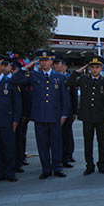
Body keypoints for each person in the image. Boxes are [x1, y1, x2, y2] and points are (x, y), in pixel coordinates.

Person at [11, 50, 70, 179]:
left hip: (55, 115)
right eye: (41, 60)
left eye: (46, 60)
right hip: (40, 116)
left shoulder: (59, 77)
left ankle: (57, 167)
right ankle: (46, 169)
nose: (44, 63)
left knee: (56, 144)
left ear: (51, 61)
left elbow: (64, 98)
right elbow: (15, 80)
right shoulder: (33, 75)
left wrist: (64, 114)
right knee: (42, 145)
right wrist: (25, 68)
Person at [68, 55, 104, 175]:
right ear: (89, 68)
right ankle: (89, 165)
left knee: (102, 142)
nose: (95, 69)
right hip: (87, 116)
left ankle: (102, 164)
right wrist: (78, 71)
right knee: (88, 143)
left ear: (101, 68)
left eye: (97, 67)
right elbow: (70, 82)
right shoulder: (84, 79)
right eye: (92, 67)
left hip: (101, 116)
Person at [0, 54, 21, 182]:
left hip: (7, 120)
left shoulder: (11, 83)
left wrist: (16, 119)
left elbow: (17, 103)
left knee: (9, 147)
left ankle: (10, 172)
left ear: (2, 66)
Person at [53, 57, 78, 167]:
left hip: (67, 110)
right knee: (57, 136)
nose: (55, 66)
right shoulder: (53, 77)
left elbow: (74, 96)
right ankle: (58, 157)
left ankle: (68, 155)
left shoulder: (69, 78)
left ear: (64, 66)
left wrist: (75, 111)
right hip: (55, 111)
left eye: (57, 63)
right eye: (54, 64)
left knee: (67, 135)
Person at [11, 60, 31, 174]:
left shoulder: (22, 81)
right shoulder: (8, 80)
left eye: (14, 69)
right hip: (9, 116)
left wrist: (26, 114)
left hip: (21, 115)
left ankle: (20, 159)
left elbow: (27, 98)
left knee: (20, 139)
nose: (12, 71)